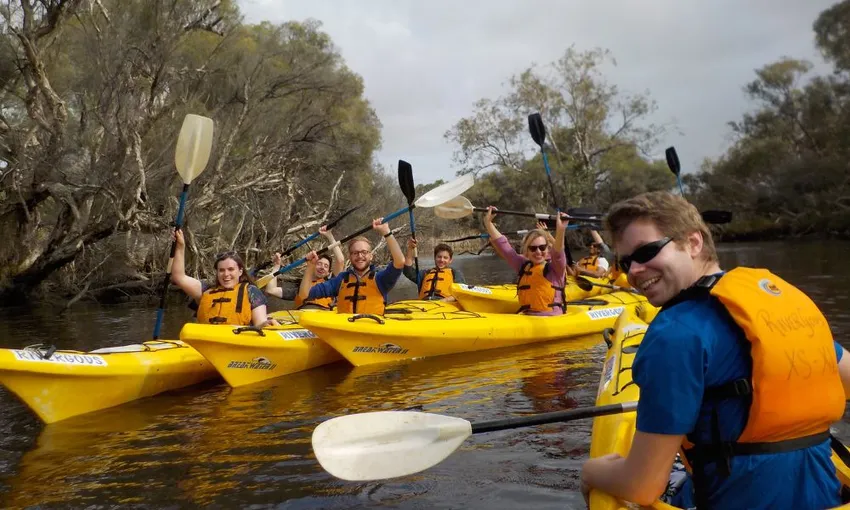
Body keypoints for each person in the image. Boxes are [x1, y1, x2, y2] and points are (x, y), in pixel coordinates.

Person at [580, 191, 850, 509]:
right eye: (625, 262)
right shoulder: (777, 302)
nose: (634, 271)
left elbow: (643, 486)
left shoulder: (674, 333)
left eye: (646, 252)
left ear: (694, 243)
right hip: (826, 496)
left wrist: (590, 470)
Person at [298, 218, 405, 315]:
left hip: (371, 331)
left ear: (371, 256)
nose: (360, 256)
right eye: (355, 253)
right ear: (350, 256)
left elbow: (399, 262)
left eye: (364, 252)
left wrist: (386, 232)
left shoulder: (381, 279)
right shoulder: (341, 280)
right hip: (345, 331)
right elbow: (304, 295)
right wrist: (310, 267)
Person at [170, 229, 276, 327]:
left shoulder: (251, 291)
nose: (226, 274)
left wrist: (265, 324)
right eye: (221, 270)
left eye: (230, 269)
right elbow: (179, 277)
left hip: (236, 341)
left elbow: (260, 323)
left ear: (240, 271)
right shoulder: (205, 290)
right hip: (206, 341)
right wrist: (180, 246)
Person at [483, 206, 570, 315]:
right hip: (527, 316)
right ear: (526, 251)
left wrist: (561, 230)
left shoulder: (555, 268)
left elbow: (558, 254)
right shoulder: (523, 265)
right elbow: (505, 248)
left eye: (542, 247)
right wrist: (488, 223)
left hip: (550, 319)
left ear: (548, 249)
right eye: (533, 248)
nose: (538, 251)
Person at [264, 225, 344, 309]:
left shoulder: (330, 285)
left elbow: (340, 261)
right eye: (319, 263)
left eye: (326, 266)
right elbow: (271, 290)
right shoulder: (300, 288)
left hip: (324, 316)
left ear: (328, 272)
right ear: (313, 265)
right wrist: (276, 266)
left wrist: (329, 236)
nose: (322, 267)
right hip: (304, 316)